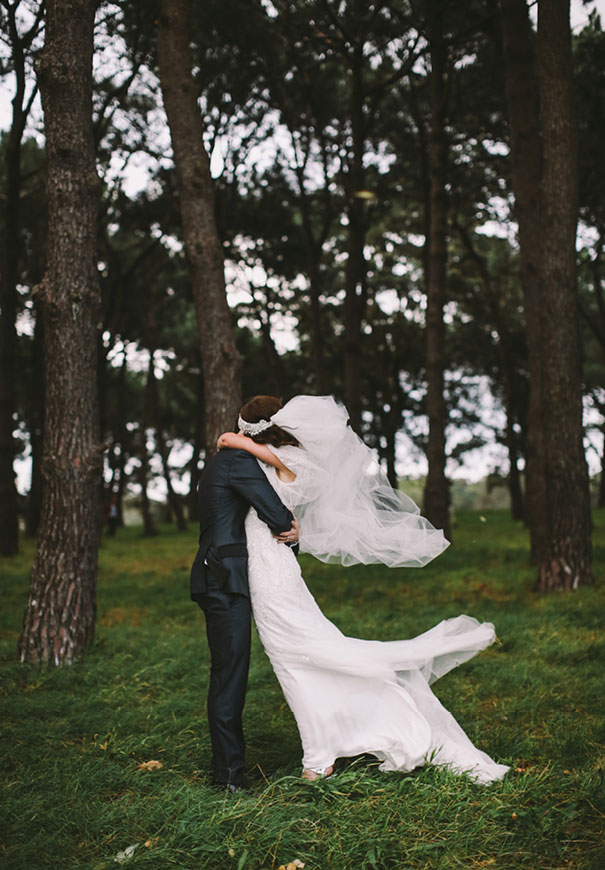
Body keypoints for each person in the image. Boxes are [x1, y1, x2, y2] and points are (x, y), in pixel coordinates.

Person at [216, 394, 509, 784]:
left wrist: (238, 440)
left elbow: (248, 454)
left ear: (251, 427)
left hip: (269, 571)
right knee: (300, 655)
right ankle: (326, 746)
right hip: (265, 563)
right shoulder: (272, 457)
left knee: (294, 657)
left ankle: (321, 755)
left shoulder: (290, 461)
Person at [190, 437, 300, 791]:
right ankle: (229, 777)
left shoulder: (227, 458)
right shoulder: (238, 460)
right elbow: (276, 515)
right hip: (223, 576)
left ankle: (228, 769)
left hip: (218, 572)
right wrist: (292, 525)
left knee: (228, 671)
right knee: (229, 674)